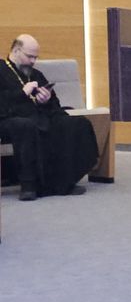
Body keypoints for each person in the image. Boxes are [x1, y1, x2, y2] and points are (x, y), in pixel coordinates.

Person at [0, 36, 98, 201]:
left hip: (38, 117)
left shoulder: (36, 74)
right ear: (16, 51)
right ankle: (29, 186)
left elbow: (54, 105)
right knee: (26, 125)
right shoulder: (1, 70)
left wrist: (45, 100)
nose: (33, 61)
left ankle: (64, 182)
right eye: (29, 56)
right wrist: (22, 93)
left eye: (36, 57)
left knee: (75, 123)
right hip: (8, 120)